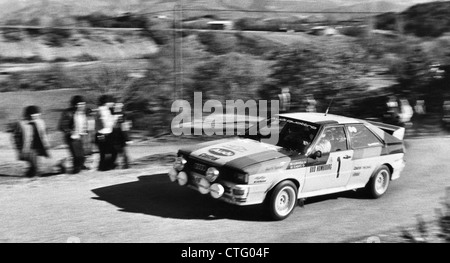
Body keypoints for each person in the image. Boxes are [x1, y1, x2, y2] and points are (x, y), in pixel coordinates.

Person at [13, 106, 51, 177]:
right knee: (35, 165)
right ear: (28, 115)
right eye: (33, 116)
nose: (35, 118)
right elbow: (16, 137)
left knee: (36, 165)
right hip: (28, 148)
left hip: (39, 146)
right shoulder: (21, 124)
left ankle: (31, 174)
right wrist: (19, 148)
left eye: (37, 116)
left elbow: (44, 133)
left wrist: (47, 143)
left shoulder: (41, 122)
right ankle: (31, 175)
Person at [58, 95, 91, 174]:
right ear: (74, 104)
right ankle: (75, 169)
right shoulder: (68, 112)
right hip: (72, 137)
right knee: (77, 155)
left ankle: (80, 166)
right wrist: (70, 133)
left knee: (83, 154)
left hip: (82, 135)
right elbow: (62, 126)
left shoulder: (84, 112)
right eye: (79, 104)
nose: (81, 106)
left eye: (83, 104)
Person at [95, 95, 117, 171]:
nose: (113, 103)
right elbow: (105, 123)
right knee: (105, 151)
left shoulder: (107, 110)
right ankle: (104, 167)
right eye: (111, 102)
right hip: (102, 134)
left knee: (107, 151)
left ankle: (105, 166)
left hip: (106, 133)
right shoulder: (102, 110)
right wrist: (113, 119)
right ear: (106, 102)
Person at [111, 102, 131, 169]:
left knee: (122, 152)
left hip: (120, 136)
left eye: (120, 106)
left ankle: (125, 165)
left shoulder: (123, 115)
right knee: (115, 151)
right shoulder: (111, 114)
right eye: (117, 106)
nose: (118, 107)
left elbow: (124, 128)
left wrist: (127, 138)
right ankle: (115, 164)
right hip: (113, 135)